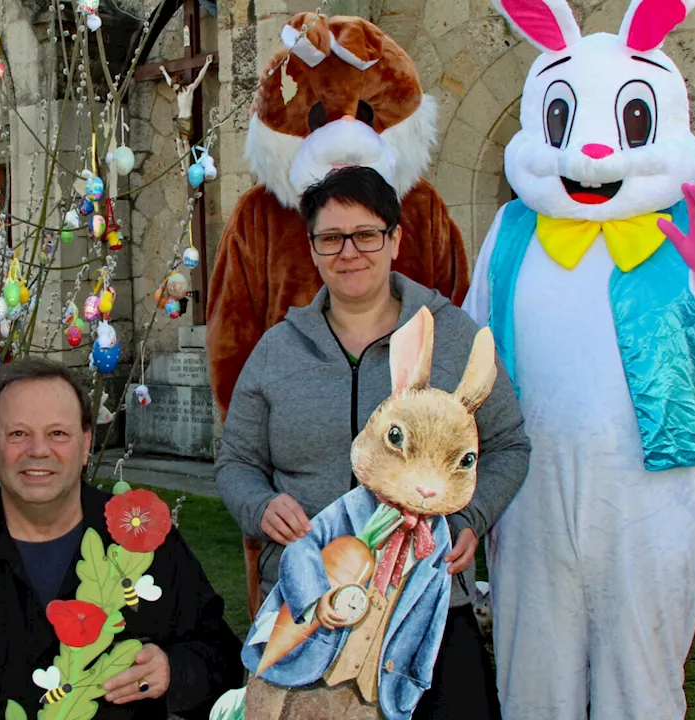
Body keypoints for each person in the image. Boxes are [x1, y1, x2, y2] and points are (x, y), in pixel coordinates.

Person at [465, 2, 695, 718]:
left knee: (640, 691)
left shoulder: (691, 229)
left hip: (650, 503)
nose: (591, 155)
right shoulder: (513, 231)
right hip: (531, 501)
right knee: (533, 692)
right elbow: (471, 354)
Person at [216, 166, 530, 718]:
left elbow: (509, 445)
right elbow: (236, 461)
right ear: (312, 248)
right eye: (331, 238)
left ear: (395, 239)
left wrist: (469, 518)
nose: (349, 252)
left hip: (426, 603)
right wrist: (261, 507)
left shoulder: (453, 336)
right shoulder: (276, 352)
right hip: (308, 608)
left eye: (367, 234)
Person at [0, 358, 243, 718]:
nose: (38, 450)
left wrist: (172, 671)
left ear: (86, 444)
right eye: (18, 433)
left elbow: (223, 659)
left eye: (58, 433)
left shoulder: (141, 539)